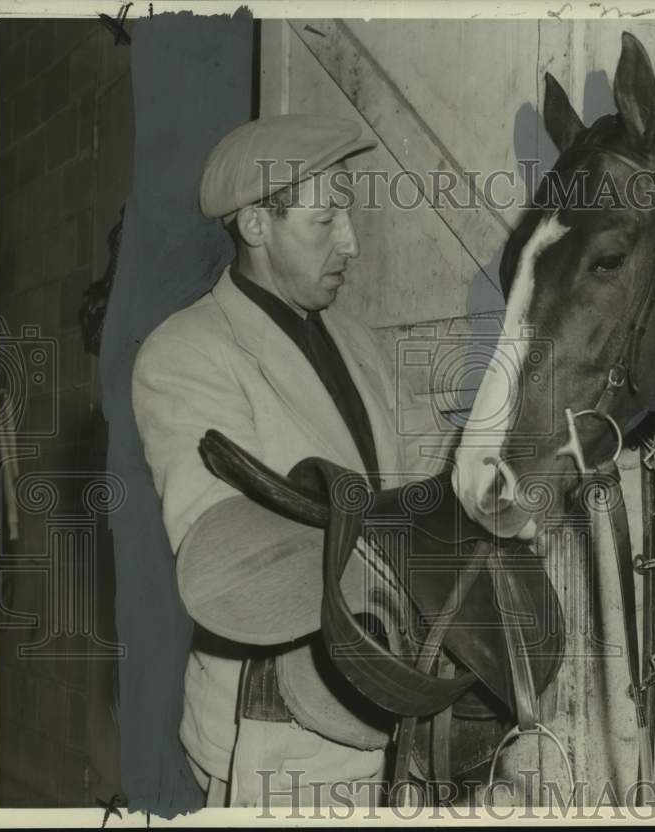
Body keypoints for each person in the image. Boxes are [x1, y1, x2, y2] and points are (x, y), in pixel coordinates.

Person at [132, 114, 440, 809]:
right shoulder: (184, 354)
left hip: (397, 712)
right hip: (282, 724)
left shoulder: (361, 344)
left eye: (349, 215)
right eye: (324, 219)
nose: (352, 243)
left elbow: (422, 495)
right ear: (255, 226)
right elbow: (231, 556)